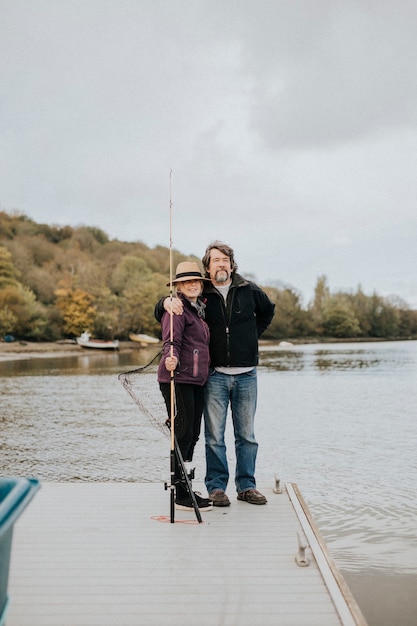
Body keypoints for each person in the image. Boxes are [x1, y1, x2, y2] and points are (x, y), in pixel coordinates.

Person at [156, 242, 275, 507]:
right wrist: (165, 301)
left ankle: (246, 486)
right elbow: (165, 313)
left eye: (225, 260)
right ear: (207, 267)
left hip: (247, 376)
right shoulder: (200, 292)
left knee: (247, 436)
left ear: (232, 264)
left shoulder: (249, 289)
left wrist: (251, 336)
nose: (221, 264)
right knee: (213, 437)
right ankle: (216, 488)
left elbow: (269, 311)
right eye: (215, 260)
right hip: (215, 376)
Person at [157, 261, 213, 512]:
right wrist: (172, 357)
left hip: (197, 380)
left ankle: (186, 485)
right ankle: (180, 493)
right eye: (187, 281)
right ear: (178, 285)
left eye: (196, 280)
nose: (193, 284)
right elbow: (172, 340)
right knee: (181, 433)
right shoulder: (176, 309)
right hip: (177, 378)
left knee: (192, 433)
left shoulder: (198, 310)